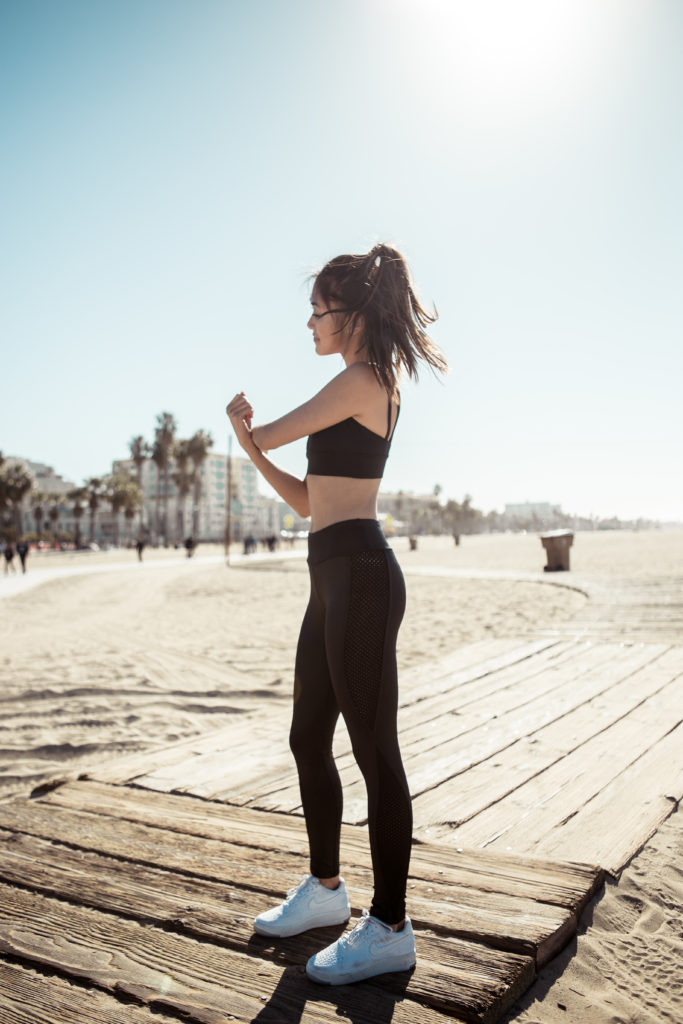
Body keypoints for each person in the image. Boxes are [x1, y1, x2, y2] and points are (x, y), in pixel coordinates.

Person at [226, 243, 447, 986]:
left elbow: (275, 432)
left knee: (374, 750)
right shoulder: (350, 387)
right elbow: (307, 502)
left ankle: (389, 925)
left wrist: (249, 431)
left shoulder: (361, 380)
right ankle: (325, 892)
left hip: (359, 573)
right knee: (305, 736)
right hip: (330, 572)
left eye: (317, 309)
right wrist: (250, 450)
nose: (310, 323)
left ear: (349, 313)